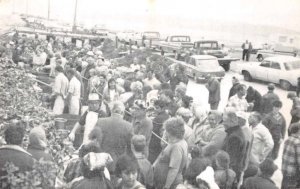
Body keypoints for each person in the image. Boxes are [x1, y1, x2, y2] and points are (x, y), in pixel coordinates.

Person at [96, 101, 133, 173]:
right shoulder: (128, 126)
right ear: (123, 113)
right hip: (117, 164)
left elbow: (94, 142)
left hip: (101, 162)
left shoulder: (100, 121)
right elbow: (130, 149)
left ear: (111, 111)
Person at [153, 117, 188, 189]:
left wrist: (166, 186)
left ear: (170, 131)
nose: (164, 132)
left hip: (171, 184)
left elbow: (174, 169)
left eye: (165, 129)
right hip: (163, 182)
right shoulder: (178, 142)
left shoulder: (176, 147)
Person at [222, 108, 247, 179]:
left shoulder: (234, 137)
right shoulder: (235, 132)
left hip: (230, 173)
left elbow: (231, 159)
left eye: (224, 121)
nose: (223, 124)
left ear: (232, 122)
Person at [148, 99, 170, 164]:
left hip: (155, 143)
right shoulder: (167, 115)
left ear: (162, 108)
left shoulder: (158, 118)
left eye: (157, 108)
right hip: (162, 142)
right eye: (155, 107)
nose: (155, 109)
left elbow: (152, 130)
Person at [281, 122, 300, 189]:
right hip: (293, 173)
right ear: (298, 130)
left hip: (285, 170)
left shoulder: (288, 139)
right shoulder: (297, 142)